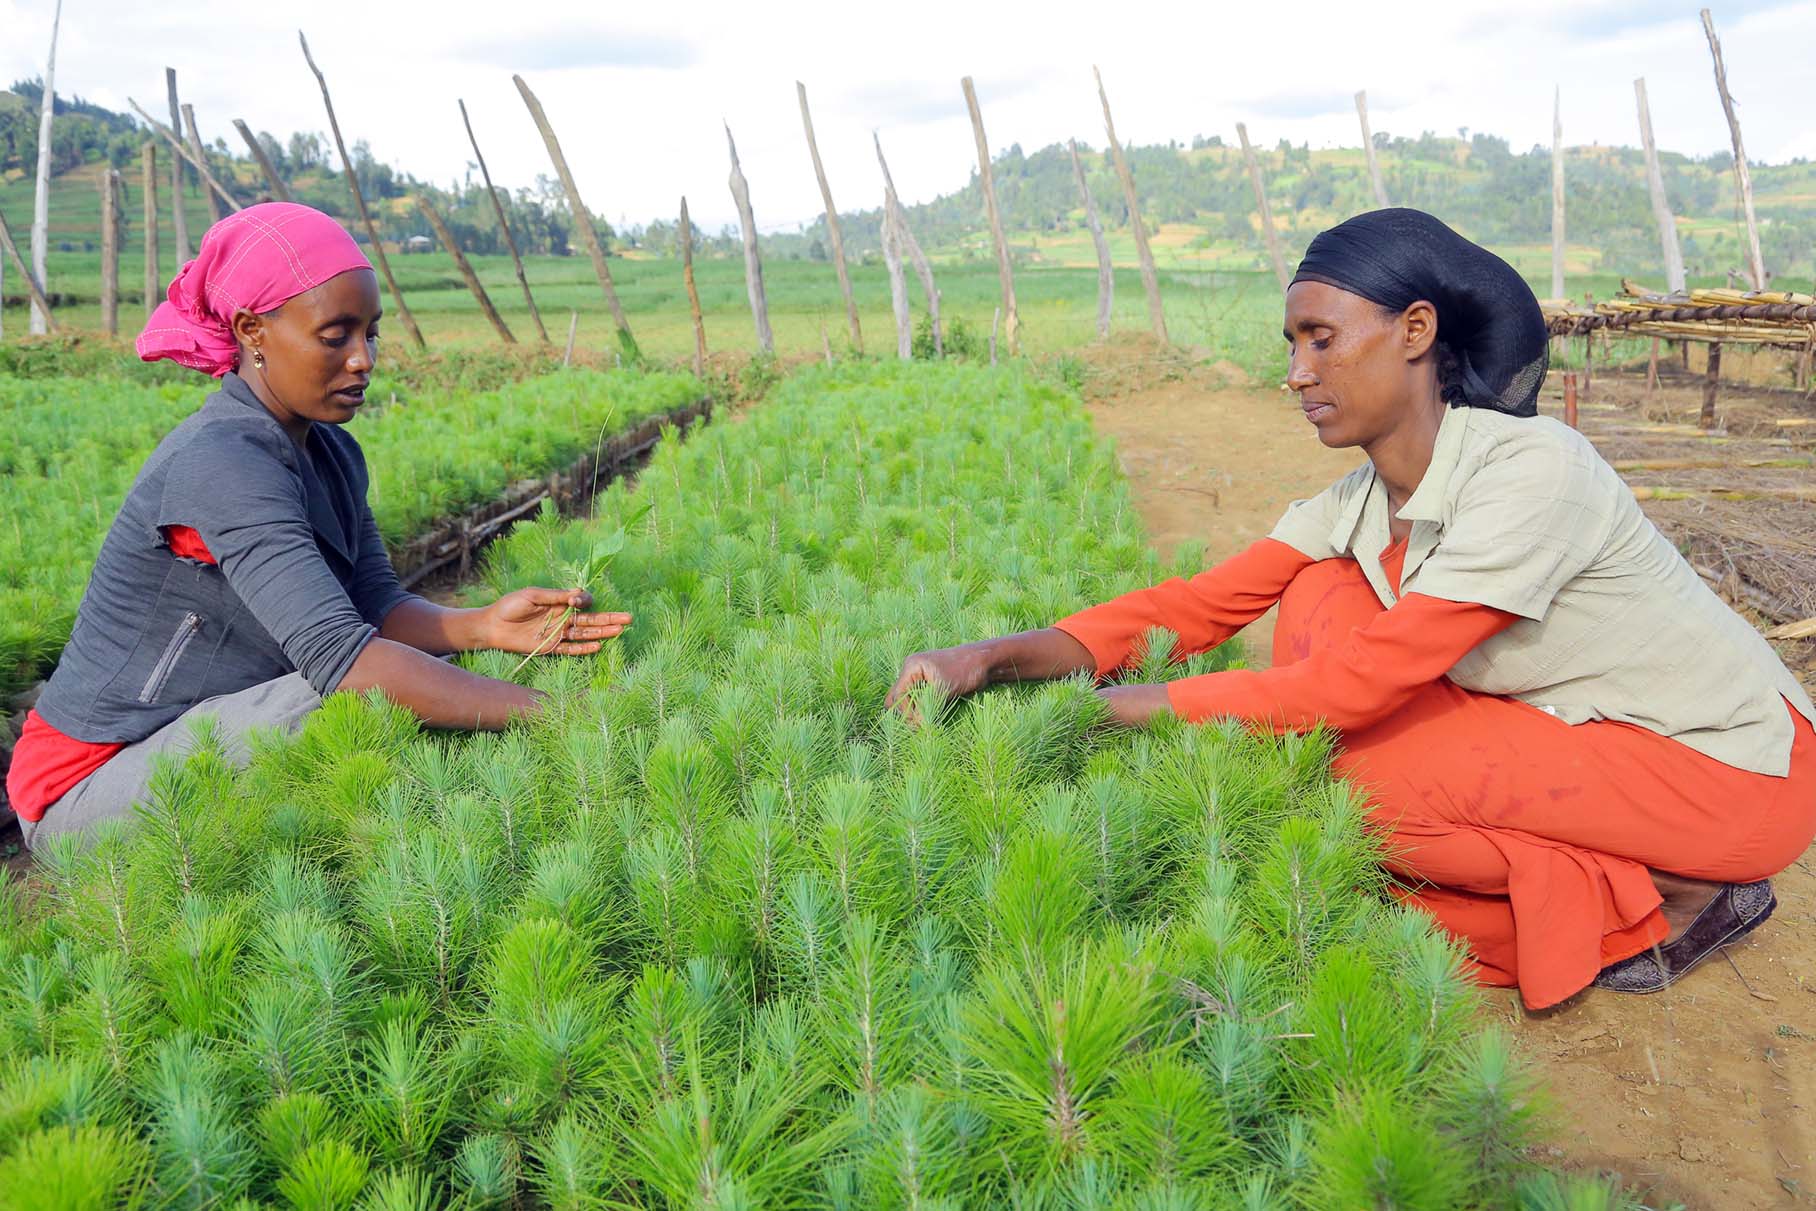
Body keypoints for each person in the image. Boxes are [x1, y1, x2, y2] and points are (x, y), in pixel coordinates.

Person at [887, 208, 1816, 1011]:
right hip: (1582, 733)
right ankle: (1553, 874)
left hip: (1725, 765)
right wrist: (988, 660)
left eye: (1319, 338)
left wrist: (1106, 714)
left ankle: (1673, 894)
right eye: (1291, 346)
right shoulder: (1356, 501)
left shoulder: (1537, 471)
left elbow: (1365, 680)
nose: (1296, 373)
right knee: (1317, 592)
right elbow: (1194, 607)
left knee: (1353, 786)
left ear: (1416, 330)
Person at [7, 203, 630, 848]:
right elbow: (344, 661)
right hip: (87, 785)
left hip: (194, 730)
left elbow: (375, 605)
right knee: (365, 699)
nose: (363, 359)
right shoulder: (223, 459)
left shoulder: (330, 450)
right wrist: (556, 714)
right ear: (253, 332)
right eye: (336, 335)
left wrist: (481, 625)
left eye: (371, 333)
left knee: (395, 692)